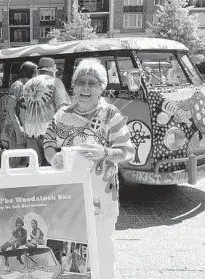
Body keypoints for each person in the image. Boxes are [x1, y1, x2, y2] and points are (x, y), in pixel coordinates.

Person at [43, 58, 135, 278]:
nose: (85, 87)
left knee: (101, 246)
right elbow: (47, 142)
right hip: (67, 197)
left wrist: (104, 152)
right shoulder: (61, 114)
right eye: (81, 82)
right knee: (70, 249)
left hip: (101, 197)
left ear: (101, 87)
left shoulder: (111, 114)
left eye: (92, 83)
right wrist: (52, 157)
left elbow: (128, 151)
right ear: (73, 86)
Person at [23, 57, 71, 166]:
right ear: (52, 70)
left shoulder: (28, 84)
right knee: (53, 166)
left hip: (31, 132)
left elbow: (24, 108)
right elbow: (62, 107)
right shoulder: (55, 82)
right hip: (49, 132)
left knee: (34, 167)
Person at [1, 61, 37, 167]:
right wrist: (18, 128)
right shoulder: (17, 86)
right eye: (35, 73)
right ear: (28, 74)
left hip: (22, 128)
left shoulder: (25, 86)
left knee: (23, 159)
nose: (37, 76)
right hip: (15, 129)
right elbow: (10, 108)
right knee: (16, 158)